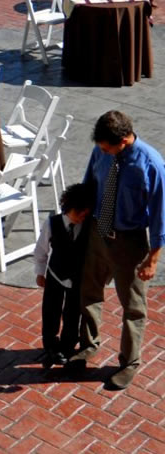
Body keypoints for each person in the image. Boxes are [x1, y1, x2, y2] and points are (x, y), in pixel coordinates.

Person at [68, 110, 165, 390]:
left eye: (106, 148)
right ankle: (88, 345)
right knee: (89, 292)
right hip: (98, 232)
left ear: (123, 141)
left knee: (133, 307)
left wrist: (153, 259)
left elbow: (160, 216)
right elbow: (89, 185)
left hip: (129, 243)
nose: (102, 152)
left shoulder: (152, 165)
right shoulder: (100, 152)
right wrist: (75, 210)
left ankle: (129, 363)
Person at [34, 183, 93, 369]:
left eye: (85, 213)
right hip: (55, 275)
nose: (82, 217)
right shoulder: (52, 224)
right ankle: (51, 345)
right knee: (51, 311)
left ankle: (67, 346)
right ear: (68, 207)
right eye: (79, 212)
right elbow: (41, 250)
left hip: (77, 278)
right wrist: (40, 272)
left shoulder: (88, 226)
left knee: (73, 313)